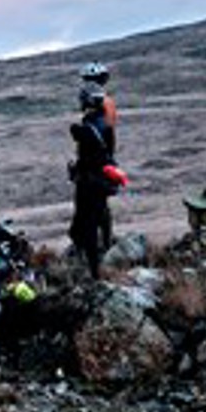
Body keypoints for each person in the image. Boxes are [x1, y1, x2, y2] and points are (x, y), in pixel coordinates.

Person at [68, 86, 118, 280]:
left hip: (89, 183)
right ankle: (105, 248)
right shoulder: (107, 124)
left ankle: (94, 271)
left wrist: (77, 131)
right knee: (100, 216)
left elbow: (88, 155)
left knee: (84, 226)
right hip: (102, 181)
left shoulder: (88, 126)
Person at [79, 61, 117, 156]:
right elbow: (105, 103)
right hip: (98, 119)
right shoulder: (93, 87)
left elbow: (106, 103)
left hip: (94, 119)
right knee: (104, 145)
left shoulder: (89, 87)